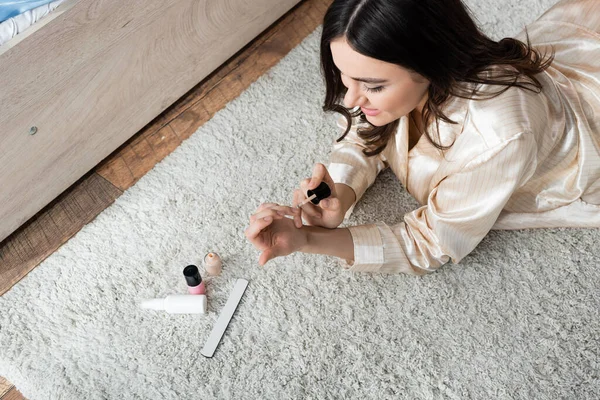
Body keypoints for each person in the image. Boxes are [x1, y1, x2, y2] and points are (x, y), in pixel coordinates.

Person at [245, 0, 600, 274]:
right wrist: (337, 194)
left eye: (373, 85)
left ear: (432, 64)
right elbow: (363, 137)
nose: (350, 99)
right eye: (344, 76)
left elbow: (429, 244)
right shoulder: (383, 78)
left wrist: (309, 239)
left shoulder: (498, 134)